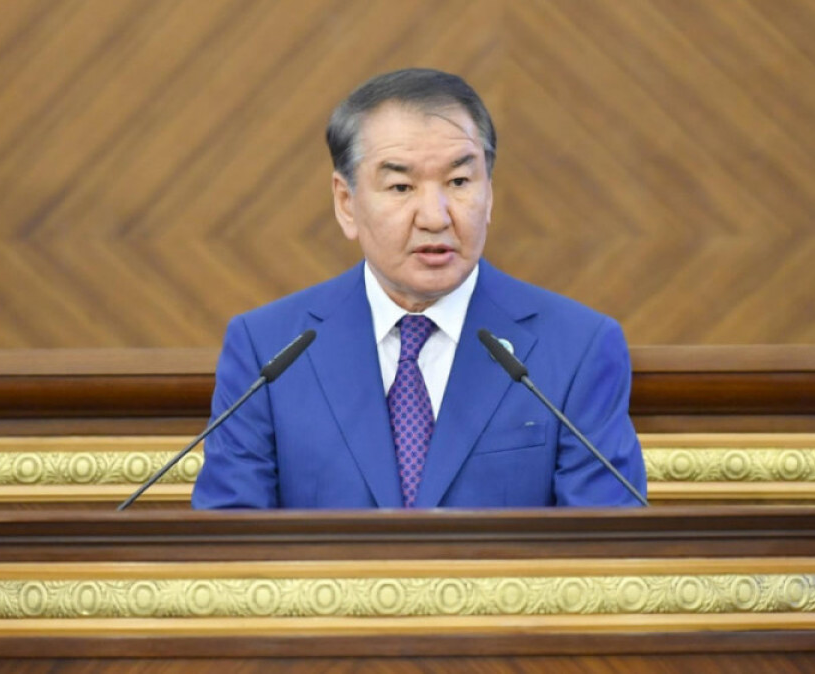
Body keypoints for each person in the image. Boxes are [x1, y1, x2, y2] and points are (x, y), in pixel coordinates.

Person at [191, 68, 646, 509]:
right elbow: (230, 542)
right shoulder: (267, 349)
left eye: (459, 182)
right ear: (346, 203)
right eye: (401, 186)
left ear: (489, 194)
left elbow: (606, 545)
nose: (435, 216)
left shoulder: (578, 348)